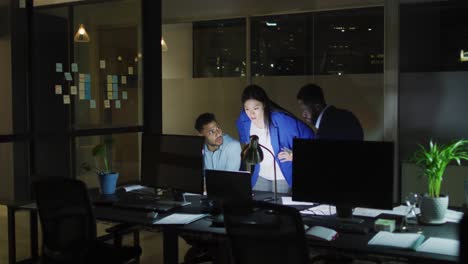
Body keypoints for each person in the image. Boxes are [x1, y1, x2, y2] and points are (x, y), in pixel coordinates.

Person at [236, 85, 314, 193]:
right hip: (260, 173)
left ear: (264, 104)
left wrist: (296, 155)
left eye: (256, 108)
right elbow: (246, 142)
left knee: (279, 207)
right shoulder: (243, 120)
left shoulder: (282, 120)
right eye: (247, 109)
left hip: (281, 174)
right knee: (258, 205)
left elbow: (310, 136)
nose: (251, 113)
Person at [297, 83, 364, 140]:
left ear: (317, 107)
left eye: (304, 110)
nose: (303, 115)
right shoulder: (347, 115)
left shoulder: (325, 129)